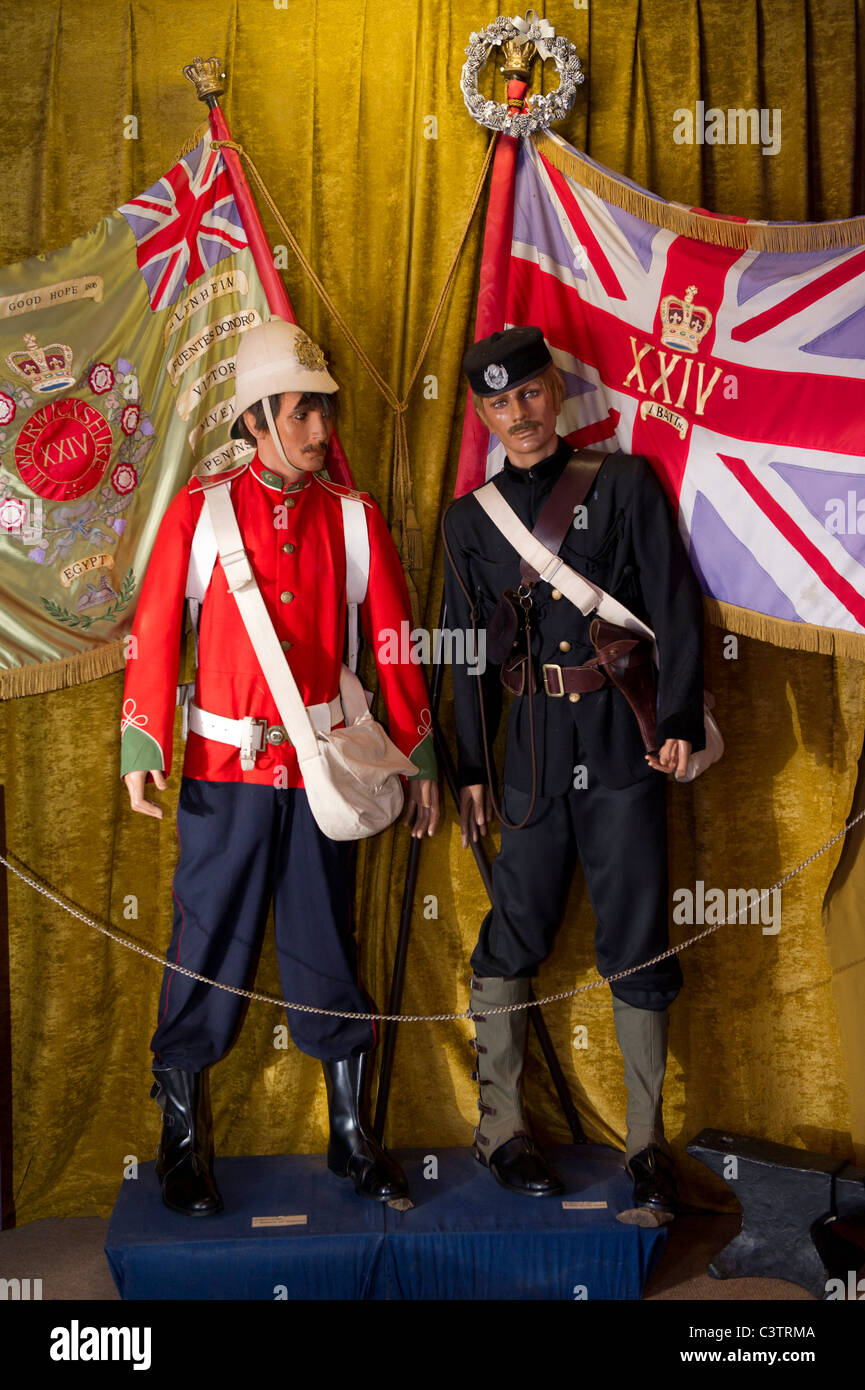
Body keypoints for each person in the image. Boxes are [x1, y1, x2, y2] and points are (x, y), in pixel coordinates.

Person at [121, 318, 439, 1214]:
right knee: (204, 945)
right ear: (254, 420)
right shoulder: (199, 512)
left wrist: (416, 755)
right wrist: (143, 741)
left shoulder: (353, 518)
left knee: (324, 939)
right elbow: (154, 630)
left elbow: (393, 643)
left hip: (325, 777)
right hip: (223, 772)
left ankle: (348, 1136)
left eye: (323, 413)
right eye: (300, 413)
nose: (317, 432)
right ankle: (181, 1139)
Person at [442, 326, 705, 1219]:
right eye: (497, 402)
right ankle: (500, 1129)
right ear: (482, 414)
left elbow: (670, 598)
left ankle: (644, 1150)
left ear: (554, 393)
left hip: (621, 737)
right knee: (513, 931)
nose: (516, 415)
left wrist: (673, 714)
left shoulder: (623, 482)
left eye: (528, 394)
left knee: (635, 933)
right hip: (531, 753)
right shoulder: (467, 520)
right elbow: (464, 650)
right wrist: (468, 765)